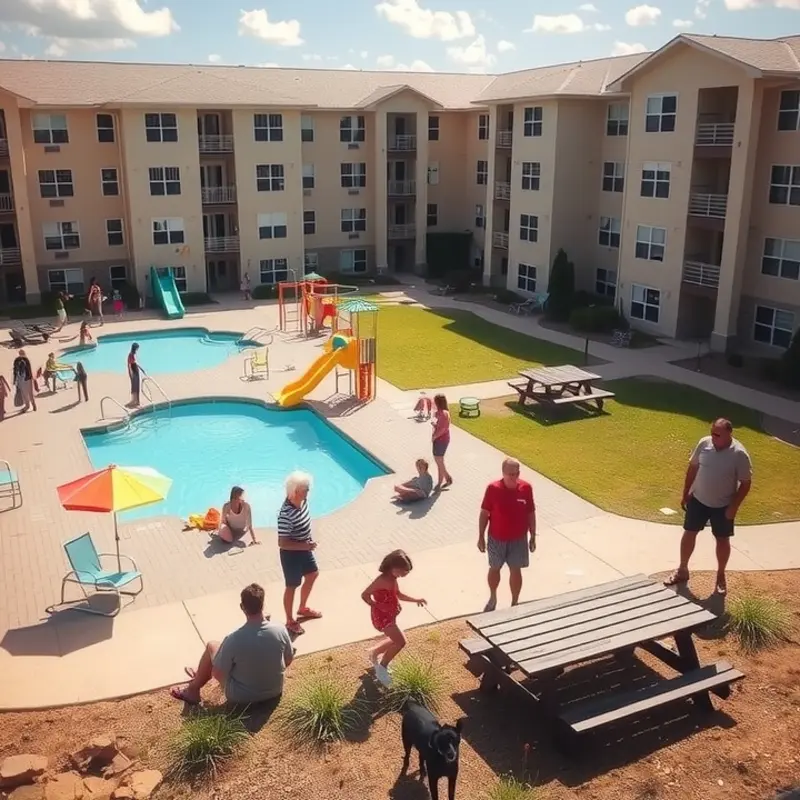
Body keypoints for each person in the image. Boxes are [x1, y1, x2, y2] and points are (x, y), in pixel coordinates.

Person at [664, 418, 753, 595]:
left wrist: (733, 507)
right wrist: (686, 492)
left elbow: (745, 483)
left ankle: (720, 576)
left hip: (723, 506)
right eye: (712, 432)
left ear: (729, 434)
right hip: (698, 500)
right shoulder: (704, 443)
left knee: (722, 539)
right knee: (689, 533)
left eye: (717, 434)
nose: (713, 437)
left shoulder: (739, 454)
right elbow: (693, 467)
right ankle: (682, 570)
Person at [170, 583, 294, 706]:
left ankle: (192, 691)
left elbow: (217, 673)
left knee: (212, 645)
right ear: (262, 605)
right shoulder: (280, 629)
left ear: (242, 607)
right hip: (274, 691)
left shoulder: (234, 638)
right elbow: (288, 659)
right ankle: (202, 672)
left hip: (241, 697)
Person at [478, 458, 536, 612]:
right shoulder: (493, 488)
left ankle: (515, 602)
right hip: (496, 538)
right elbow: (484, 513)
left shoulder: (526, 488)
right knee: (494, 568)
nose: (513, 477)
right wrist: (480, 537)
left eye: (515, 473)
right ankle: (493, 597)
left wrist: (533, 536)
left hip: (518, 539)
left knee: (516, 570)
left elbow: (531, 512)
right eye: (510, 474)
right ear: (503, 472)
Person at [361, 549, 426, 687]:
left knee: (394, 639)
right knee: (401, 642)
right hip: (383, 618)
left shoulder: (393, 578)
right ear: (393, 567)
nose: (404, 574)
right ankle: (382, 668)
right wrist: (376, 605)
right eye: (403, 571)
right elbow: (365, 594)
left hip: (391, 615)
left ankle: (374, 654)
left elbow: (398, 594)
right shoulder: (381, 580)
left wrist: (416, 600)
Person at [277, 471, 321, 636]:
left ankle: (302, 608)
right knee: (292, 585)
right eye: (305, 489)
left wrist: (308, 542)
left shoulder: (303, 503)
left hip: (304, 548)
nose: (308, 492)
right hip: (291, 554)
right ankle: (290, 620)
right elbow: (282, 543)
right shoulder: (286, 515)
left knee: (312, 574)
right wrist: (305, 546)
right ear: (295, 491)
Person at [431, 393, 453, 490]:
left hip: (441, 440)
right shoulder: (440, 412)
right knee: (439, 460)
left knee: (439, 461)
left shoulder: (443, 413)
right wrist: (435, 425)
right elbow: (441, 426)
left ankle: (440, 483)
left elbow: (444, 428)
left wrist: (435, 436)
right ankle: (447, 478)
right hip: (440, 440)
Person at [127, 342, 144, 407]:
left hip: (136, 371)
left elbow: (135, 363)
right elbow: (130, 364)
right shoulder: (131, 355)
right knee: (134, 386)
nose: (137, 349)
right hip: (133, 371)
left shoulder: (133, 354)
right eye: (137, 348)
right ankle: (134, 400)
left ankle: (136, 401)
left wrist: (141, 369)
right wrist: (131, 373)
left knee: (136, 386)